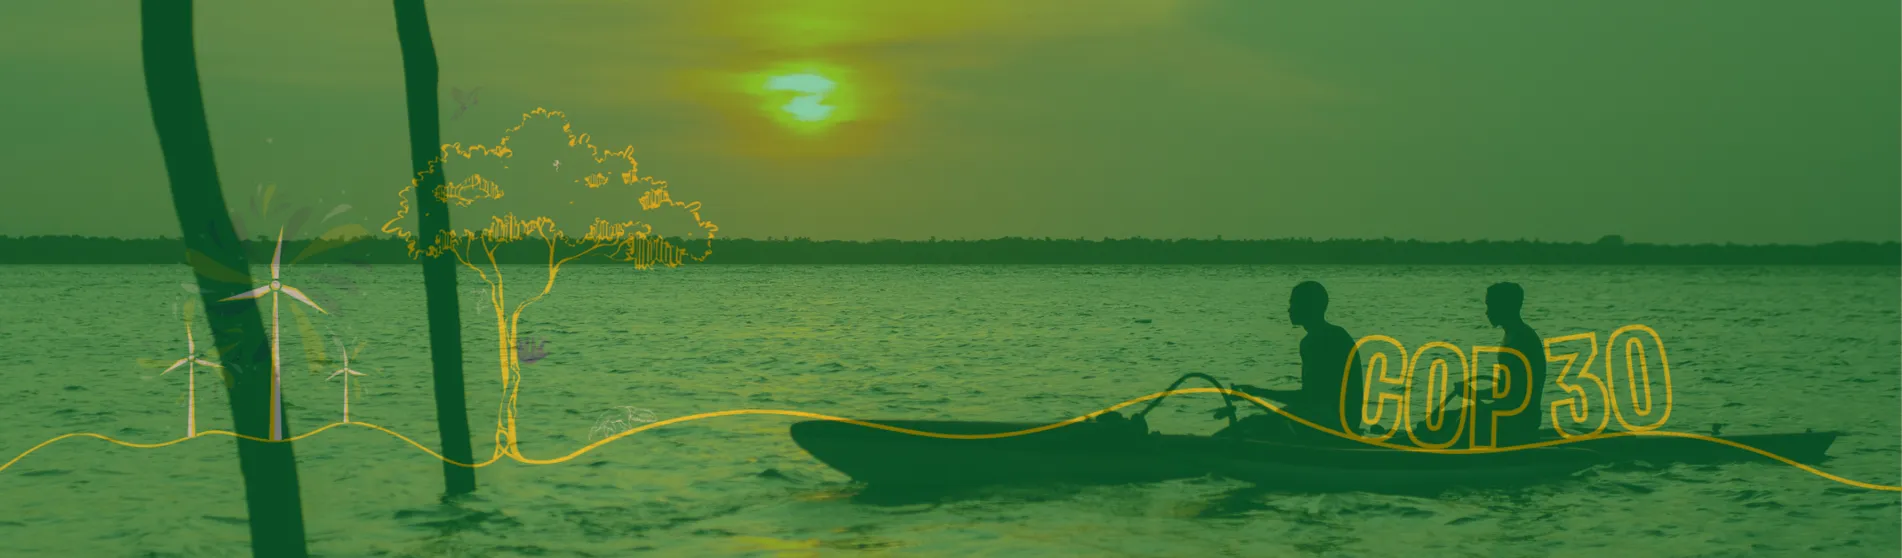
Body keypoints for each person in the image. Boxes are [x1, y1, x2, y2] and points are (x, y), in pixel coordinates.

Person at [1220, 281, 1365, 442]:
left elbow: (1310, 398)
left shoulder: (1320, 341)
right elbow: (1312, 399)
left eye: (1294, 303)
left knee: (1252, 425)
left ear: (1308, 307)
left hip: (1334, 424)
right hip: (1337, 419)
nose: (1289, 309)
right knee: (1254, 423)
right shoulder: (1328, 336)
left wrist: (1257, 392)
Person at [1453, 282, 1548, 447]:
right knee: (1449, 417)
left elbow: (1516, 393)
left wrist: (1474, 395)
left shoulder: (1522, 339)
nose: (1487, 312)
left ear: (1504, 307)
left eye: (1490, 306)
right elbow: (1506, 389)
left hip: (1520, 419)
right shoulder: (1512, 335)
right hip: (1509, 412)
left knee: (1460, 422)